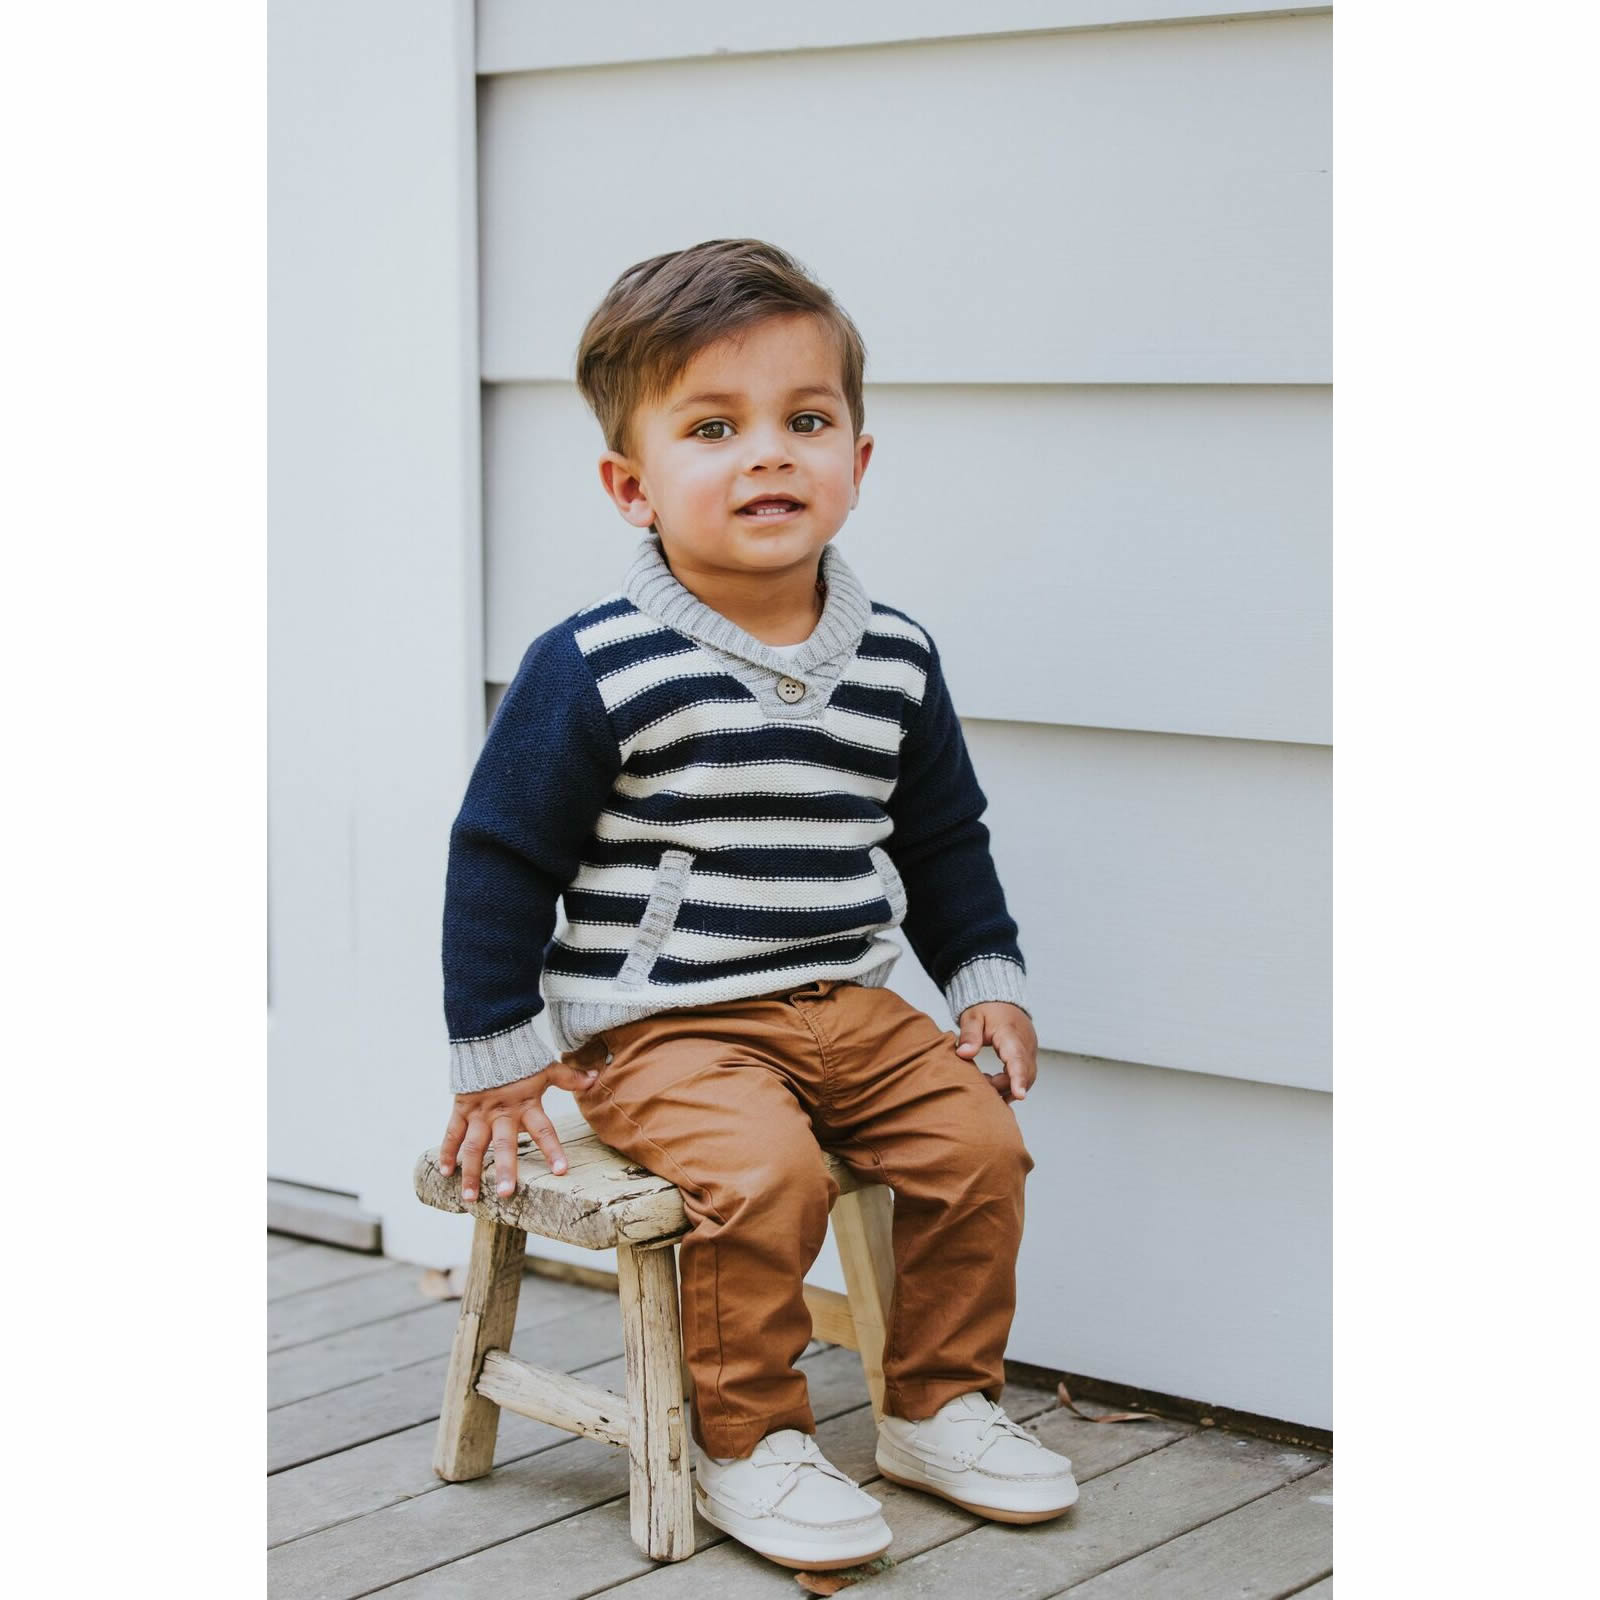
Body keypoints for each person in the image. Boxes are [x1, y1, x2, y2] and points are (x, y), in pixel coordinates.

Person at [436, 238, 1077, 1571]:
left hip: (852, 1002)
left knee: (980, 1150)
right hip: (665, 1028)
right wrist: (500, 1053)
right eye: (714, 428)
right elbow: (499, 855)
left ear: (859, 457)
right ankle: (749, 1439)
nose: (769, 455)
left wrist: (987, 981)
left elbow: (942, 840)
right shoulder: (598, 664)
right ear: (632, 485)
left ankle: (938, 1404)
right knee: (764, 1176)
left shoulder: (895, 657)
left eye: (806, 421)